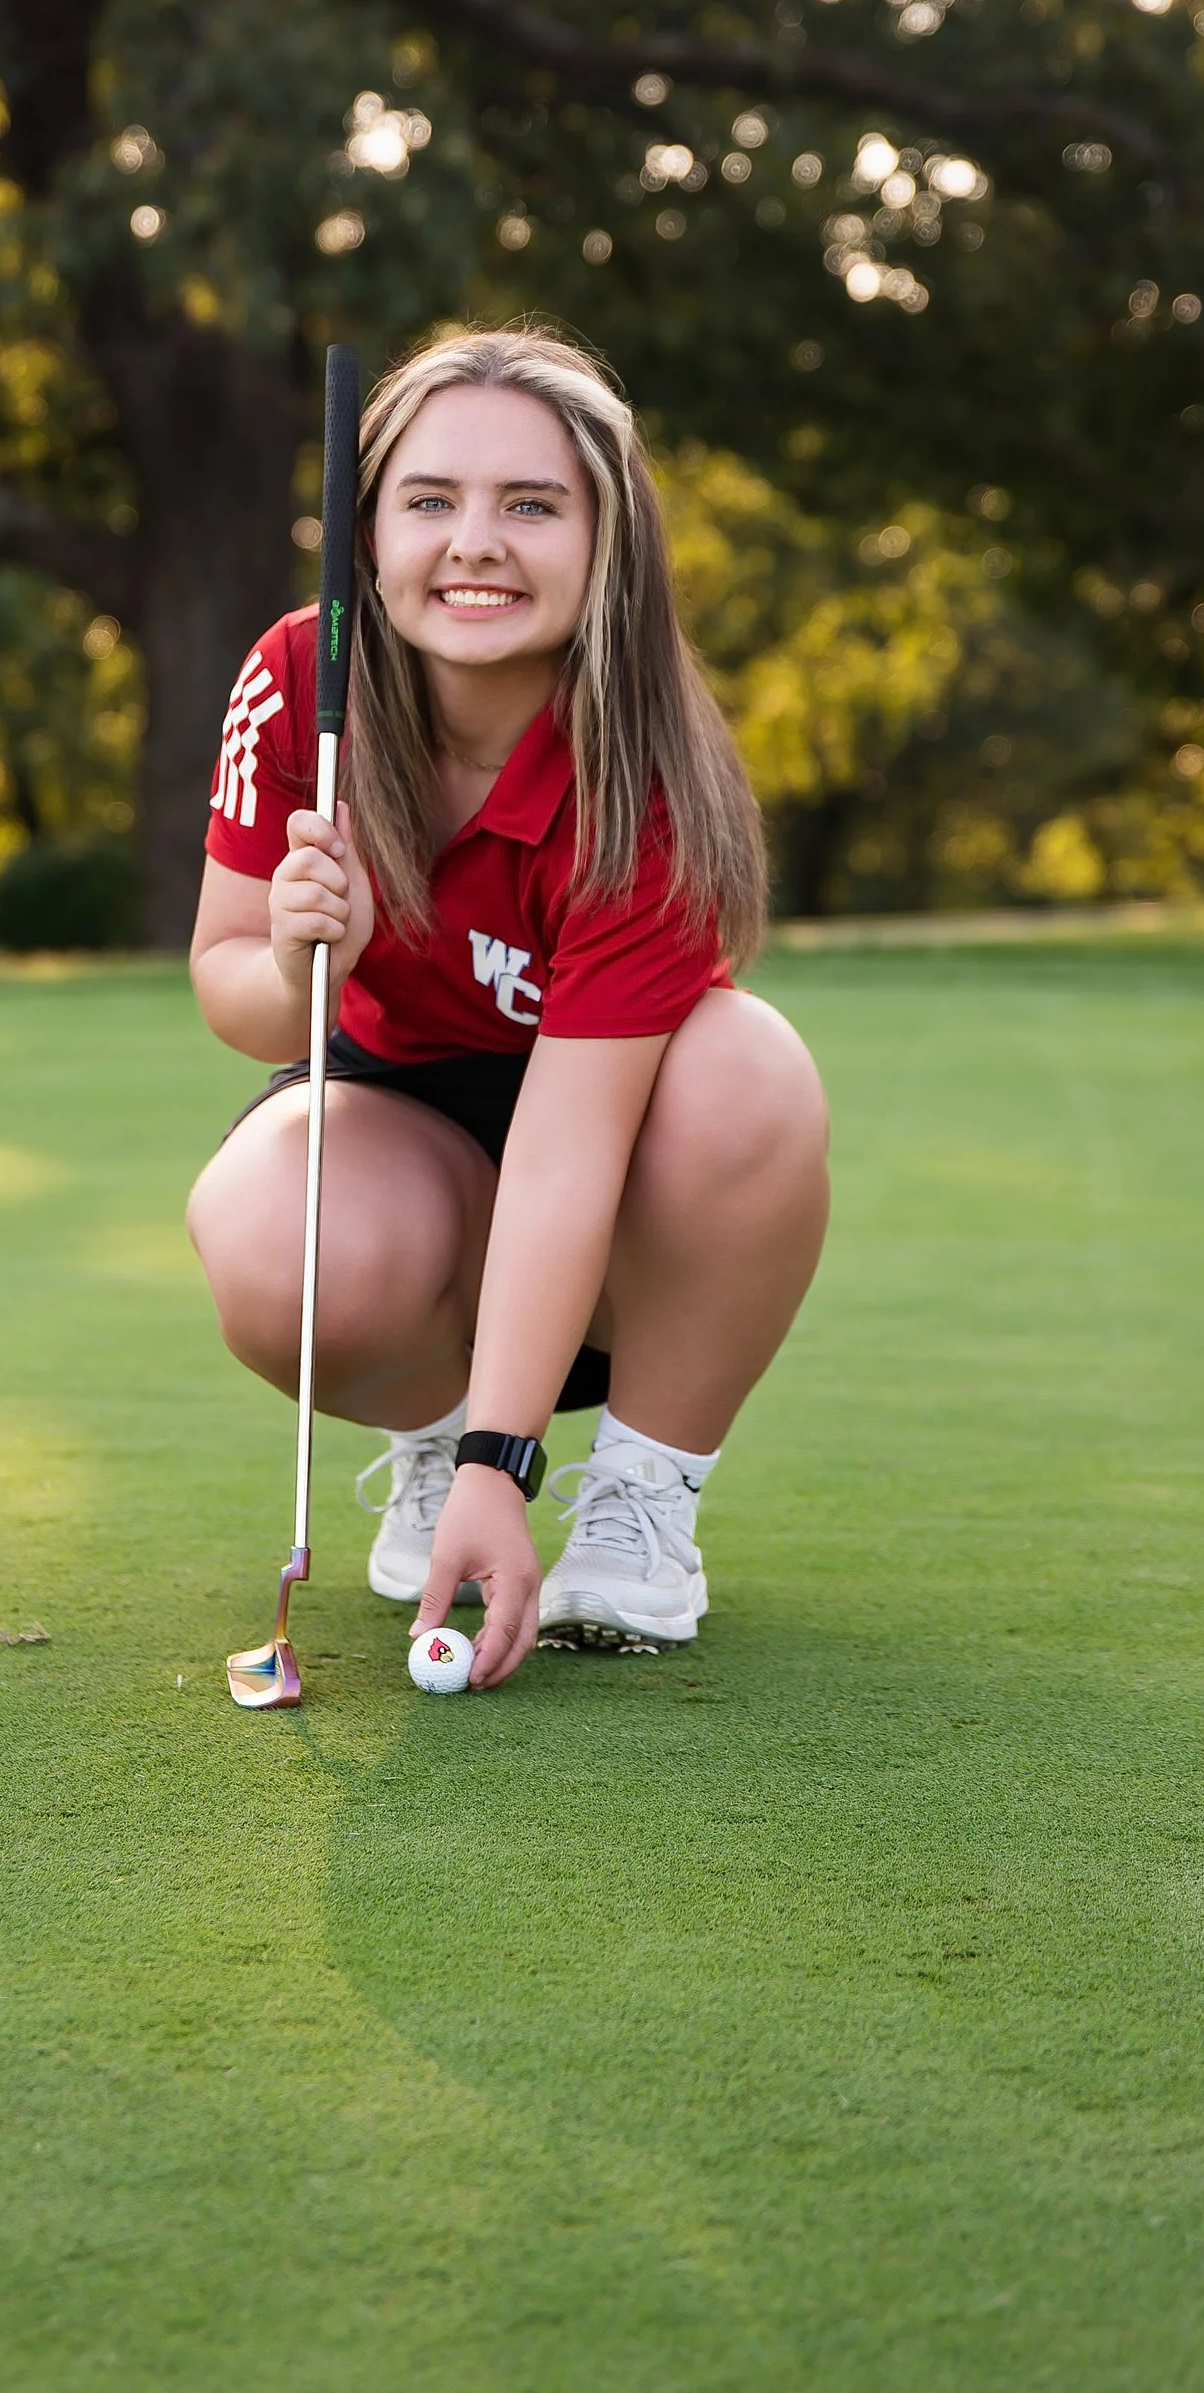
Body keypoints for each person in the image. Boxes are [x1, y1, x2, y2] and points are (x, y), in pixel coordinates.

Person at [185, 325, 830, 1691]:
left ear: (609, 543)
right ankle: (424, 1441)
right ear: (369, 535)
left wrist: (509, 1459)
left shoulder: (639, 773)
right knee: (262, 1221)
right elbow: (234, 996)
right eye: (430, 501)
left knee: (747, 1069)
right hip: (395, 1108)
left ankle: (638, 1502)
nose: (474, 542)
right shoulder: (300, 676)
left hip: (624, 1167)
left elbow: (567, 1148)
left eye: (529, 505)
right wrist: (308, 956)